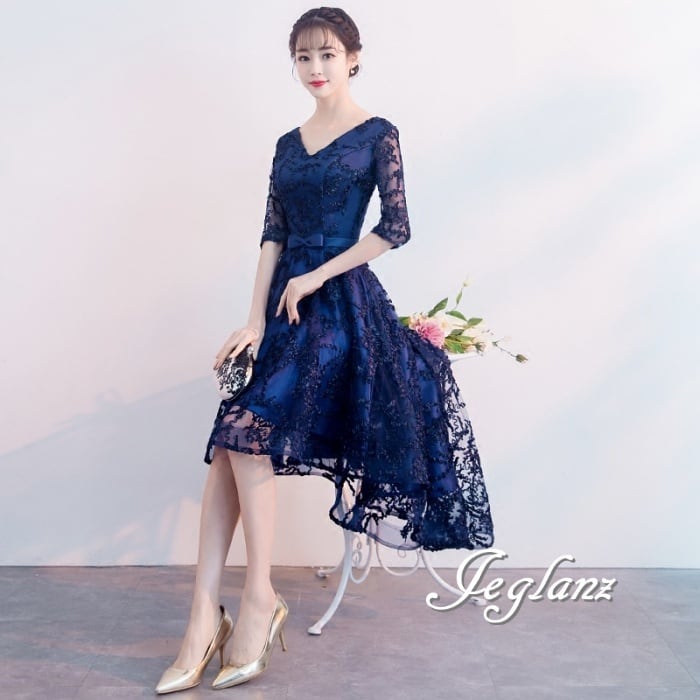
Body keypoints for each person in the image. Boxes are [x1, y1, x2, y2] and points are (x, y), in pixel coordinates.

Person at [155, 6, 494, 695]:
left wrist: (318, 275)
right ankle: (204, 615)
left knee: (242, 434)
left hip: (342, 310)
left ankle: (255, 603)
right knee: (230, 442)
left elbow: (395, 228)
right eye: (303, 57)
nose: (315, 68)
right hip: (283, 310)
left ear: (354, 58)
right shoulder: (287, 144)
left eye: (328, 54)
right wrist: (253, 321)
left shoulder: (377, 133)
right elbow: (272, 234)